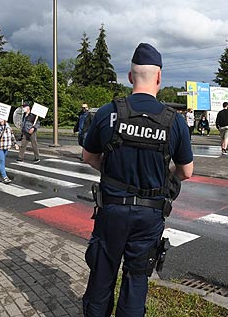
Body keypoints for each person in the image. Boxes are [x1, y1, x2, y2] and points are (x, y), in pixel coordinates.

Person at [81, 43, 193, 317]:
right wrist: (165, 177)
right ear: (159, 78)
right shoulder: (173, 121)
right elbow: (186, 171)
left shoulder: (108, 112)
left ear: (130, 77)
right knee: (136, 279)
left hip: (112, 210)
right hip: (149, 214)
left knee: (101, 276)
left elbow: (89, 156)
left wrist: (111, 174)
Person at [0, 118, 18, 183]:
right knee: (2, 161)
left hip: (6, 146)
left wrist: (15, 144)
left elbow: (12, 135)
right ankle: (5, 177)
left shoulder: (8, 126)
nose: (1, 120)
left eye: (2, 119)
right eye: (0, 119)